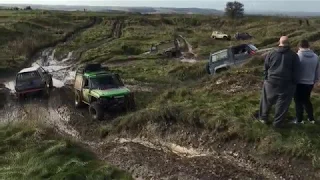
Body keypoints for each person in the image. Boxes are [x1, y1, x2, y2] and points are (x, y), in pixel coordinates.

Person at [259, 36, 300, 127]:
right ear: (288, 43)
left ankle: (263, 118)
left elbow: (265, 67)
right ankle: (277, 123)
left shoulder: (271, 53)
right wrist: (294, 82)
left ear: (279, 43)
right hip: (286, 83)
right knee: (282, 104)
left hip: (271, 81)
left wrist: (266, 78)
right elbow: (297, 71)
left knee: (266, 100)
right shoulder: (294, 55)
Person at [293, 40, 320, 124]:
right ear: (308, 46)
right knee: (306, 100)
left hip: (299, 82)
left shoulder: (297, 56)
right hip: (310, 83)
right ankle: (311, 118)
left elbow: (294, 70)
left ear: (299, 47)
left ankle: (299, 120)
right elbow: (317, 70)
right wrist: (316, 80)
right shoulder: (315, 56)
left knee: (298, 101)